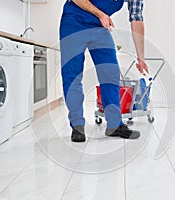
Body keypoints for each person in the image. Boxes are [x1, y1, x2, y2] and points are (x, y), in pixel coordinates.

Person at [60, 0, 149, 142]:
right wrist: (100, 14)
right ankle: (77, 125)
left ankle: (114, 125)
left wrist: (141, 57)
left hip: (100, 27)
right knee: (72, 75)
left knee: (110, 73)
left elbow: (136, 18)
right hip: (74, 22)